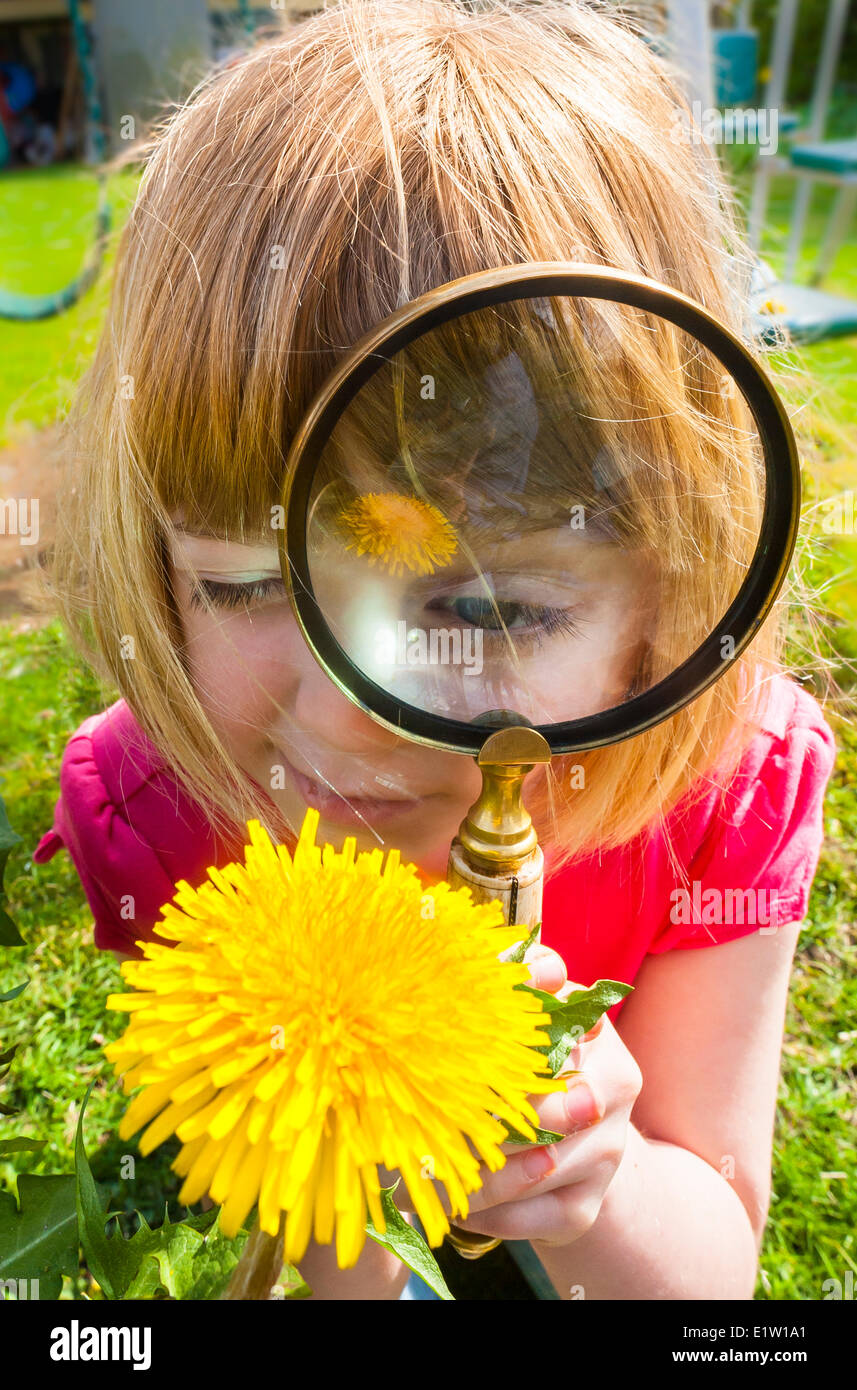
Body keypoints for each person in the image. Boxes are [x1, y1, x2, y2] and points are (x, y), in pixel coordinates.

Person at [36, 0, 836, 1300]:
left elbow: (708, 1272)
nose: (358, 717)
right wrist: (345, 1168)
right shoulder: (155, 823)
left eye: (488, 609)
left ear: (669, 598)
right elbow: (297, 1229)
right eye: (243, 580)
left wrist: (601, 1174)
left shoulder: (727, 797)